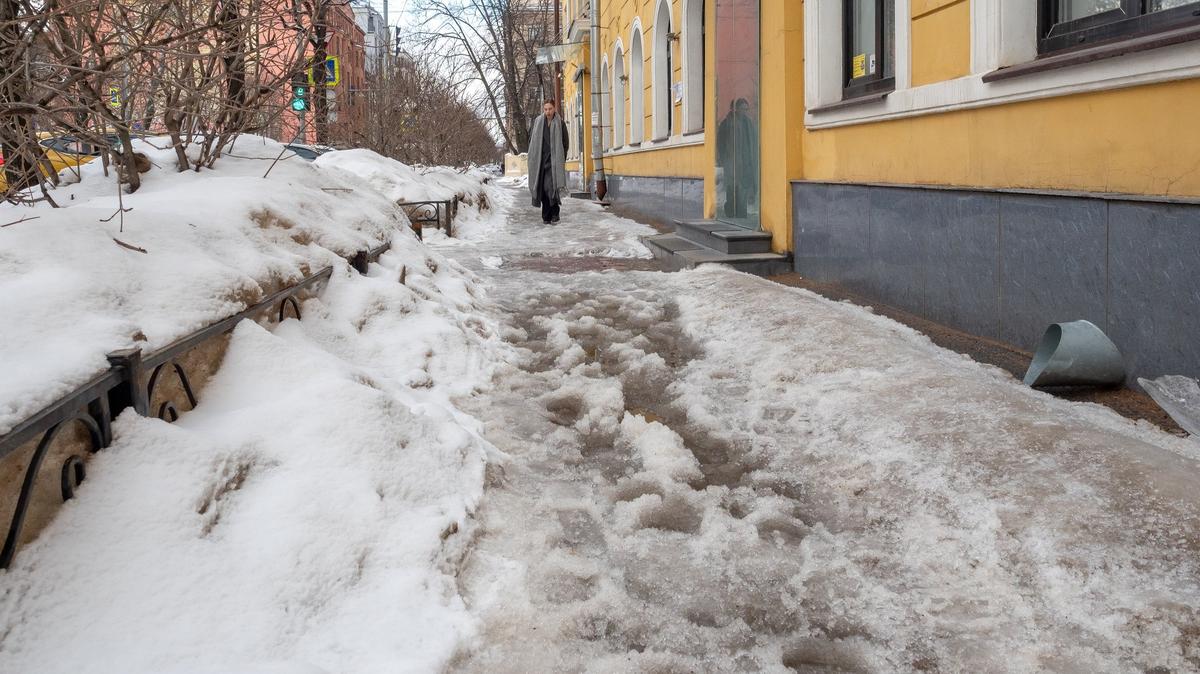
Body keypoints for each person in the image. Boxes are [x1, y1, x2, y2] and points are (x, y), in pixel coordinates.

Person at [527, 99, 570, 224]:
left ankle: (553, 214)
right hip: (540, 161)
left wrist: (561, 158)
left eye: (550, 109)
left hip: (554, 162)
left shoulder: (560, 123)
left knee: (551, 187)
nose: (548, 112)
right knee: (542, 189)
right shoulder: (538, 122)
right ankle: (547, 215)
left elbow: (565, 143)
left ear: (554, 108)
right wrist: (533, 157)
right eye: (545, 109)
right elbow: (532, 140)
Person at [716, 98, 758, 220]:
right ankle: (730, 211)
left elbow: (753, 141)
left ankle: (741, 215)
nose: (745, 111)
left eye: (746, 109)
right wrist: (724, 158)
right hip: (732, 162)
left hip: (745, 163)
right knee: (732, 188)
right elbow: (720, 142)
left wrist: (752, 159)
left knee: (743, 189)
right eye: (743, 109)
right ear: (737, 109)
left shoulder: (749, 124)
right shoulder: (727, 123)